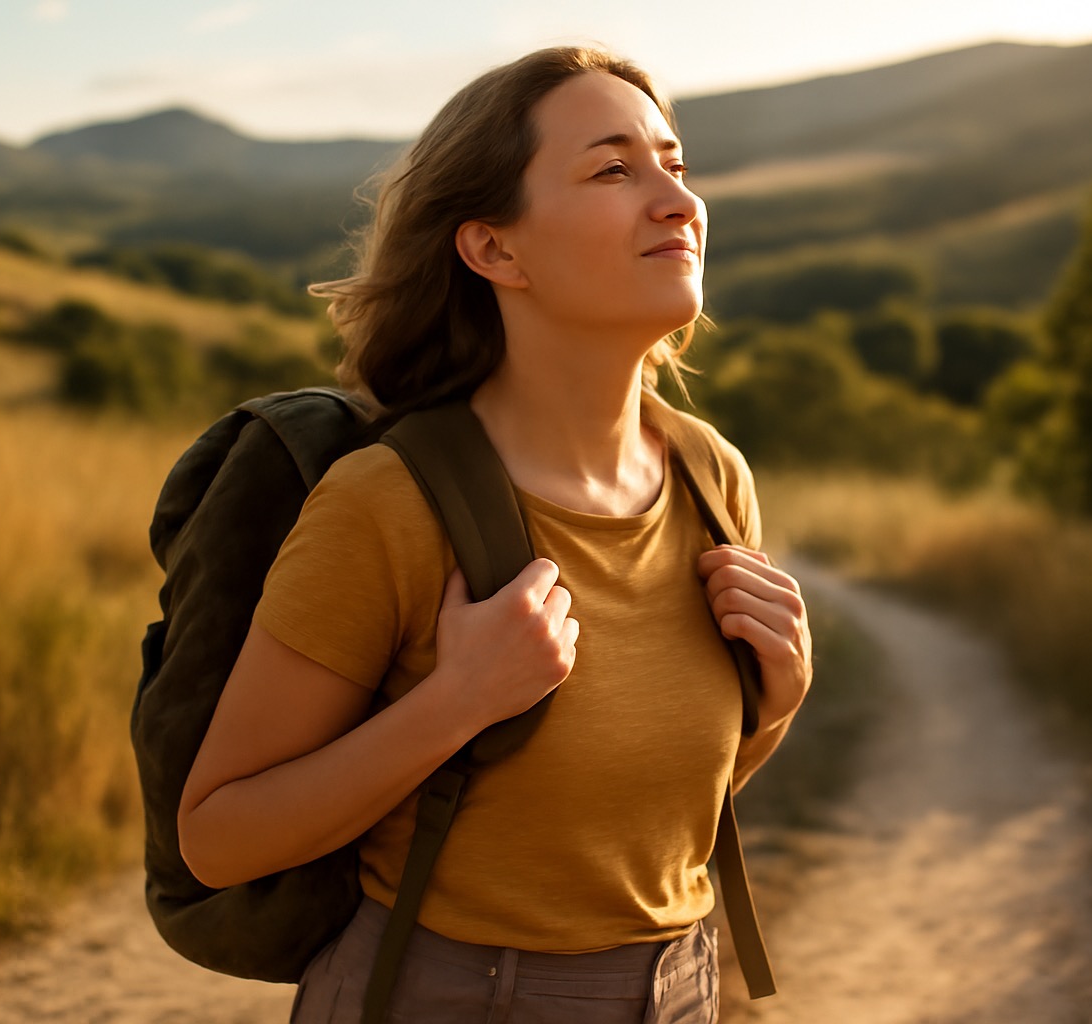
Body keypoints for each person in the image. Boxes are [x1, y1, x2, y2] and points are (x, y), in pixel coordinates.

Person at [176, 45, 813, 1024]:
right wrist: (458, 701)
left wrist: (779, 697)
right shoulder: (390, 503)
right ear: (494, 251)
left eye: (674, 166)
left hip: (679, 991)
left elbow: (632, 812)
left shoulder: (711, 476)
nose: (678, 201)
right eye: (613, 168)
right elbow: (218, 836)